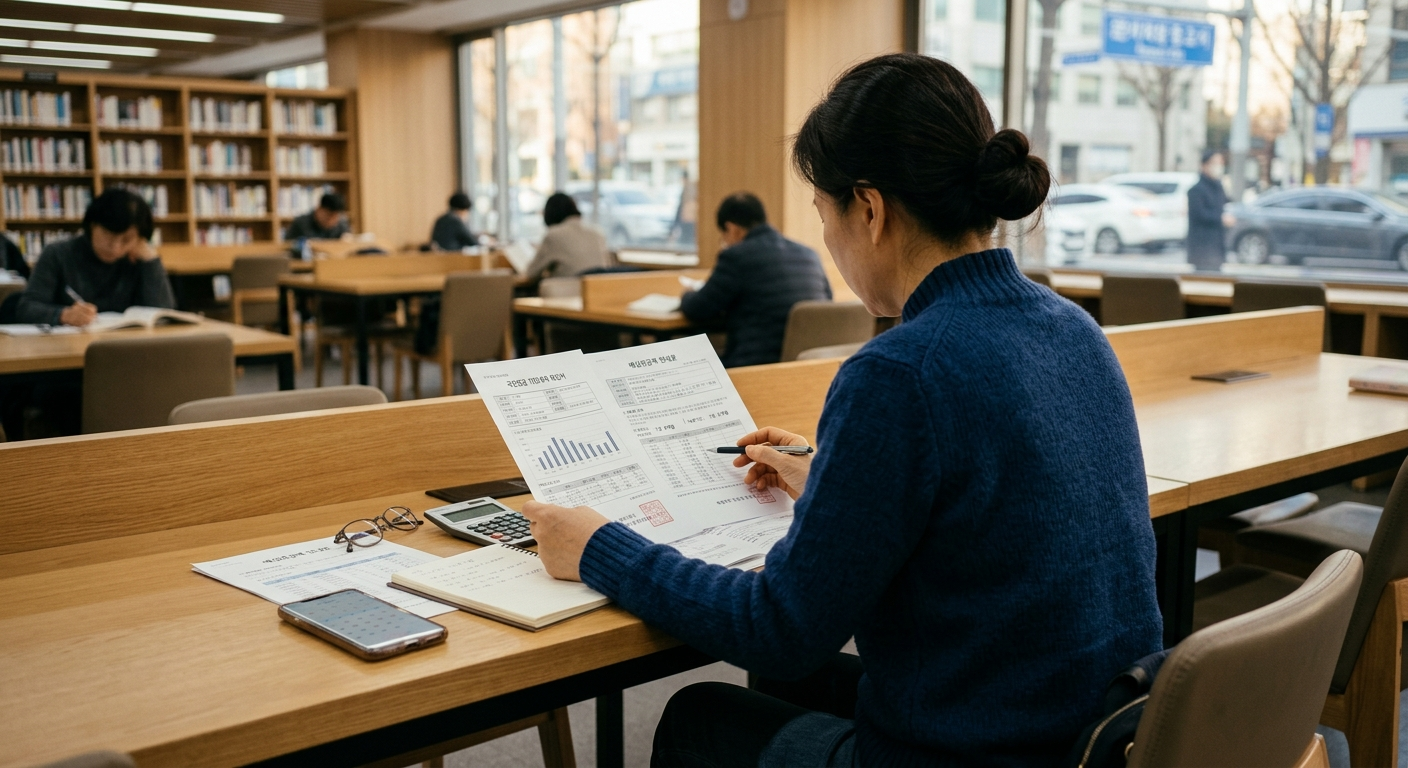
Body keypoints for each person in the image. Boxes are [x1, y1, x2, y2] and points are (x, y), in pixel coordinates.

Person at [522, 53, 1162, 767]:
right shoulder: (1075, 329)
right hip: (1095, 735)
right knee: (797, 685)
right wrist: (834, 477)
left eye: (825, 214)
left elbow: (780, 629)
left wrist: (598, 546)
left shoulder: (899, 372)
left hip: (979, 751)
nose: (828, 242)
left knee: (699, 715)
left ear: (869, 207)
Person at [680, 193, 832, 367]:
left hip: (755, 363)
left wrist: (687, 294)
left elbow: (698, 308)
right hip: (808, 364)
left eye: (724, 237)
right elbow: (828, 300)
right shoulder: (809, 254)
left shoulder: (736, 256)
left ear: (732, 228)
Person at [18, 187, 174, 326]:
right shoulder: (58, 254)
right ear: (92, 226)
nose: (115, 247)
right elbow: (27, 308)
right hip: (68, 348)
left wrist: (151, 262)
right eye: (108, 235)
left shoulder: (138, 260)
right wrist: (63, 315)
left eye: (126, 239)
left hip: (126, 348)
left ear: (139, 239)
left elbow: (163, 314)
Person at [522, 193, 610, 280]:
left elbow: (531, 272)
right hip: (599, 290)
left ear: (550, 213)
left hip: (569, 291)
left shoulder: (554, 235)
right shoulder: (597, 233)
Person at [1187, 150, 1232, 272]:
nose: (1218, 167)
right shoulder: (1196, 190)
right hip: (1202, 247)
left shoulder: (1218, 186)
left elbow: (1226, 204)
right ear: (1204, 165)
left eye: (1220, 163)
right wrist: (1220, 219)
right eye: (1215, 163)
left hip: (1217, 247)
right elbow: (1199, 214)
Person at [283, 192, 349, 241]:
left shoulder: (342, 224)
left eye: (336, 216)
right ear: (319, 209)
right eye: (329, 215)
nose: (332, 219)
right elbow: (287, 246)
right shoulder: (300, 224)